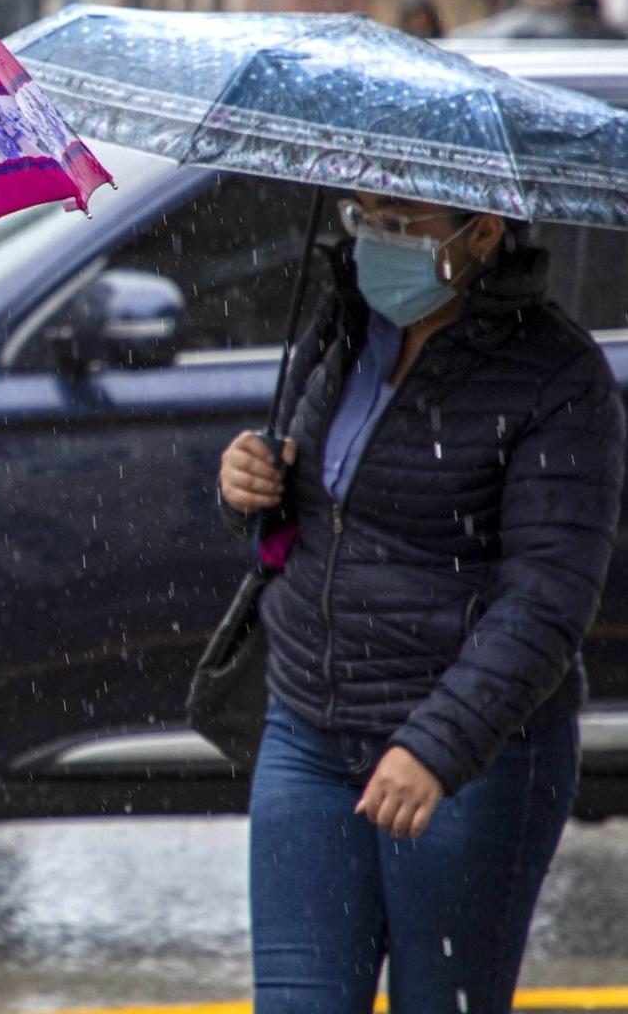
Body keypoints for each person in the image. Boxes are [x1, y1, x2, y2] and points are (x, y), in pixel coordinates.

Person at [219, 193, 624, 1012]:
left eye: (399, 227)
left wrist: (437, 745)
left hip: (469, 761)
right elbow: (311, 517)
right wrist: (246, 486)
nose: (374, 244)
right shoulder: (341, 331)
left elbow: (548, 599)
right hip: (308, 728)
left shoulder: (556, 377)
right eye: (360, 218)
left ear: (482, 234)